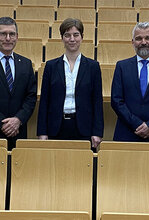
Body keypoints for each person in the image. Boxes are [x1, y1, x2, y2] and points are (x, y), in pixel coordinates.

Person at [37, 18, 104, 150]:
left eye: (76, 35)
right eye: (67, 35)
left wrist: (97, 132)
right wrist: (42, 131)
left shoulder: (93, 66)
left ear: (82, 37)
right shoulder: (51, 66)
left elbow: (97, 101)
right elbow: (45, 100)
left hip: (84, 127)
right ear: (62, 38)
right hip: (56, 126)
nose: (72, 39)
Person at [0, 17, 37, 151]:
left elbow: (31, 96)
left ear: (17, 37)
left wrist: (18, 120)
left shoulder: (26, 64)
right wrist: (3, 123)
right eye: (3, 34)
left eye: (12, 34)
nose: (8, 38)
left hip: (19, 131)